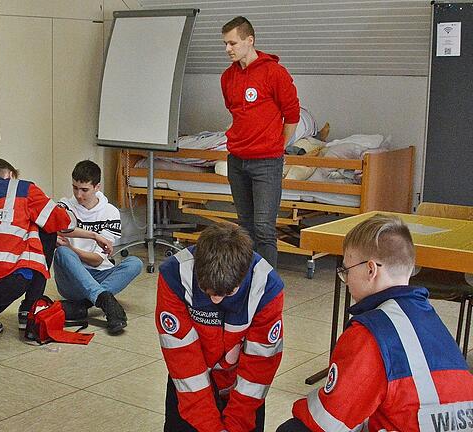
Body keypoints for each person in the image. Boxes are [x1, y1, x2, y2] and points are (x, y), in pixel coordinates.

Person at [277, 215, 473, 432]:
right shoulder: (428, 318)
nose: (347, 279)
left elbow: (327, 422)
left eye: (346, 270)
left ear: (371, 270)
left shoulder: (371, 332)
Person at [156, 222, 284, 432]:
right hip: (192, 379)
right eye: (207, 292)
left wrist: (235, 425)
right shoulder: (174, 276)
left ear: (243, 276)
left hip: (242, 384)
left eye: (227, 293)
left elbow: (259, 367)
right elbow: (183, 358)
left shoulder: (267, 287)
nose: (216, 300)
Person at [0, 159, 114, 335]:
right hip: (7, 281)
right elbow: (61, 222)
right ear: (10, 175)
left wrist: (93, 235)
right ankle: (29, 309)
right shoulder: (22, 188)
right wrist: (90, 231)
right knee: (46, 229)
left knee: (30, 226)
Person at [221, 16, 300, 268]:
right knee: (244, 226)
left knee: (264, 228)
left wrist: (278, 145)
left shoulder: (274, 72)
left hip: (266, 162)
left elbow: (293, 114)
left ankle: (266, 286)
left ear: (249, 40)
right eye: (225, 44)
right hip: (236, 160)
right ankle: (246, 279)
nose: (227, 49)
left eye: (232, 43)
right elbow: (235, 113)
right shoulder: (227, 77)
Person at [53, 160, 142, 334]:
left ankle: (84, 305)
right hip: (71, 279)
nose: (79, 195)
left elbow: (96, 262)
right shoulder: (63, 205)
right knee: (62, 252)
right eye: (75, 188)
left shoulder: (110, 212)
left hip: (98, 274)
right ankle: (105, 300)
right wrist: (91, 237)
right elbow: (60, 229)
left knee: (135, 263)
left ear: (97, 187)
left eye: (84, 189)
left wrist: (73, 249)